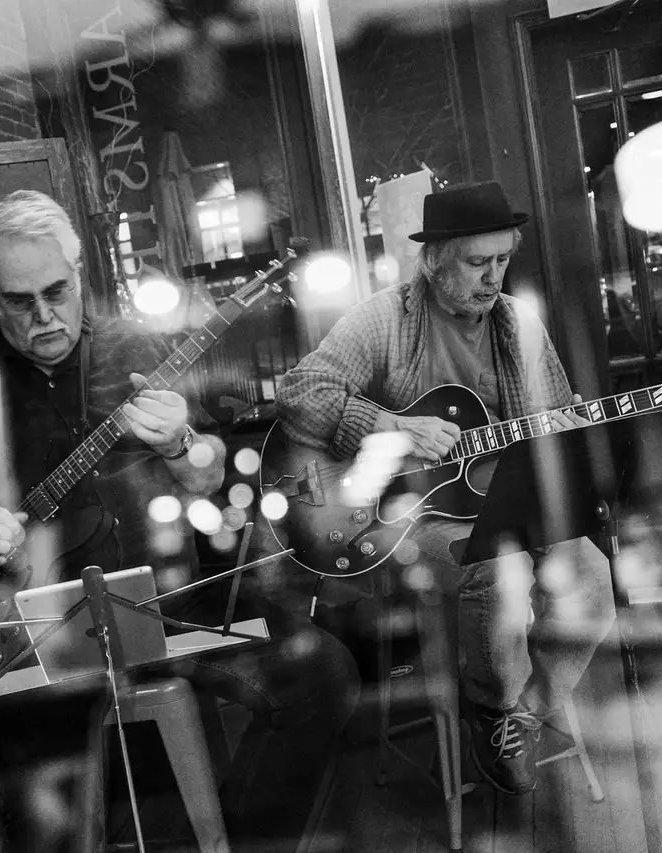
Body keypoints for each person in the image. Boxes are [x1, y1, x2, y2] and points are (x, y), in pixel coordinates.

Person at [0, 189, 358, 851]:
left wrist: (183, 444)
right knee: (40, 796)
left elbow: (210, 472)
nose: (44, 314)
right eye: (18, 299)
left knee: (322, 674)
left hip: (170, 597)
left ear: (79, 274)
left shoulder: (137, 350)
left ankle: (240, 839)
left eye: (57, 290)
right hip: (39, 631)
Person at [275, 181, 615, 795]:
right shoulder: (385, 319)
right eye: (476, 262)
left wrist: (565, 429)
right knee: (497, 564)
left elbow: (559, 414)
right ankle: (492, 702)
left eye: (503, 260)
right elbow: (301, 392)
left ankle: (518, 715)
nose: (493, 277)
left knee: (591, 572)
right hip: (403, 517)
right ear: (433, 260)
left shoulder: (519, 323)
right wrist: (389, 425)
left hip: (506, 501)